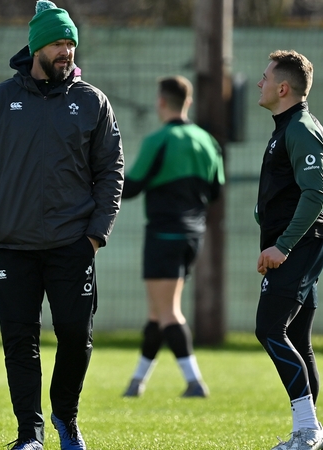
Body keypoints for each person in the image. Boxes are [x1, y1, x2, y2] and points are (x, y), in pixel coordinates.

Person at [0, 1, 124, 449]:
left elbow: (111, 169)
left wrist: (96, 233)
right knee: (20, 340)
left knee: (76, 335)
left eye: (70, 43)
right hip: (13, 244)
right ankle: (28, 435)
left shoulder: (93, 101)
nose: (66, 51)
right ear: (36, 48)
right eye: (57, 43)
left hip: (74, 243)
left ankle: (65, 417)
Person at [120, 75, 224, 399]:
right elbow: (216, 191)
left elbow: (132, 187)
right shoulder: (208, 141)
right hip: (194, 236)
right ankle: (137, 382)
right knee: (157, 313)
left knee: (168, 313)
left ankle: (194, 382)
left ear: (161, 101)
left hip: (164, 234)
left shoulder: (159, 140)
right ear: (188, 102)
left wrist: (95, 177)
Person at [253, 50, 323, 450]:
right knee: (297, 339)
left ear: (283, 88)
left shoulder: (300, 127)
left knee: (268, 329)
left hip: (300, 245)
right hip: (297, 245)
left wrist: (282, 245)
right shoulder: (285, 127)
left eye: (265, 77)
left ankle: (308, 430)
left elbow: (315, 194)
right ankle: (311, 435)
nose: (259, 82)